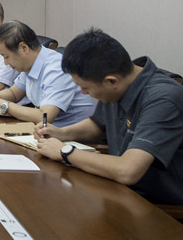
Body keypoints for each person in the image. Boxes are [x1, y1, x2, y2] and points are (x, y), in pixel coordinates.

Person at [35, 29, 183, 204]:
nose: (83, 92)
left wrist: (64, 151)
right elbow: (97, 126)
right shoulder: (118, 84)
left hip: (157, 203)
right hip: (118, 188)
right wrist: (62, 133)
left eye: (86, 88)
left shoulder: (163, 99)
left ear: (112, 81)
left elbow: (128, 171)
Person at [0, 21, 96, 127]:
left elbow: (44, 117)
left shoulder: (56, 69)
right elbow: (14, 94)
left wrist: (3, 105)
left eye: (6, 56)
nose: (5, 63)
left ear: (23, 48)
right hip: (45, 133)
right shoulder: (31, 63)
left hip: (72, 139)